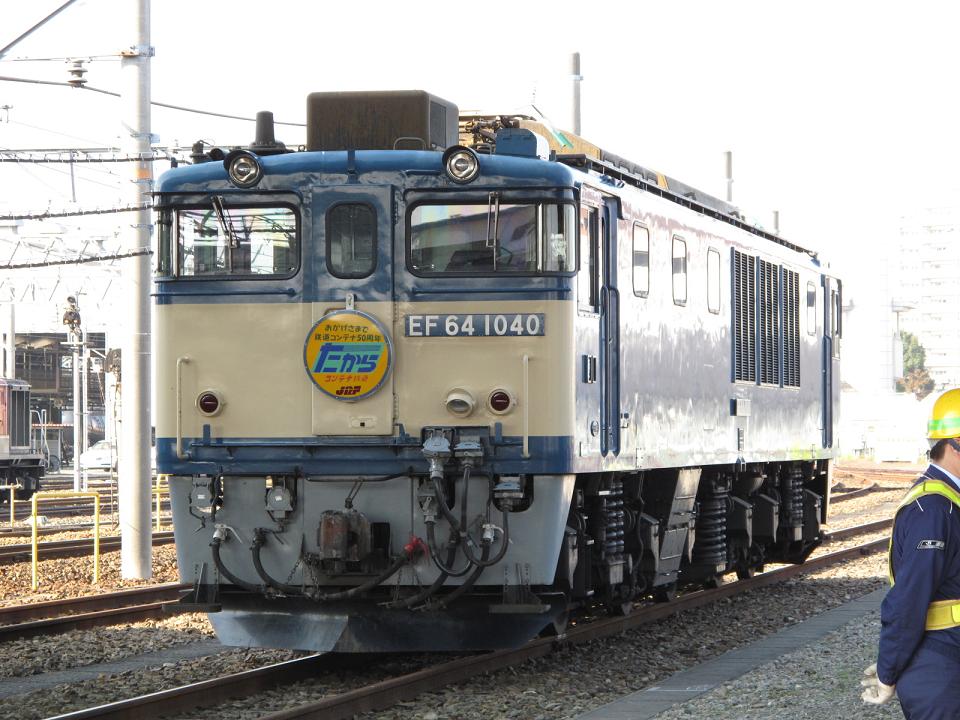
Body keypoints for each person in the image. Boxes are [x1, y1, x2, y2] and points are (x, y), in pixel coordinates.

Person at [862, 388, 960, 718]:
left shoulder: (948, 503)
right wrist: (888, 671)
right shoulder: (932, 510)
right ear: (955, 444)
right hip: (941, 672)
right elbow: (908, 600)